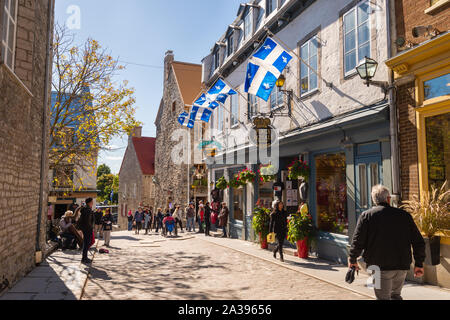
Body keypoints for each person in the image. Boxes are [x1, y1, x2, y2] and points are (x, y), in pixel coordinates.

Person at [348, 185, 426, 300]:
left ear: (374, 200)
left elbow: (358, 241)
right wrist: (419, 263)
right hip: (401, 266)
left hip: (379, 267)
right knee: (395, 296)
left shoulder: (367, 216)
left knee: (383, 298)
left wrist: (353, 259)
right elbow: (418, 241)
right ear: (388, 199)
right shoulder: (404, 216)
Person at [78, 198, 95, 264]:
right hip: (87, 229)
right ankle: (84, 258)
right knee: (87, 243)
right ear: (89, 202)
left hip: (86, 228)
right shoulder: (87, 210)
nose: (93, 203)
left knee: (87, 243)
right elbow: (88, 221)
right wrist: (90, 228)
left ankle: (85, 257)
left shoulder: (87, 209)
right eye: (92, 202)